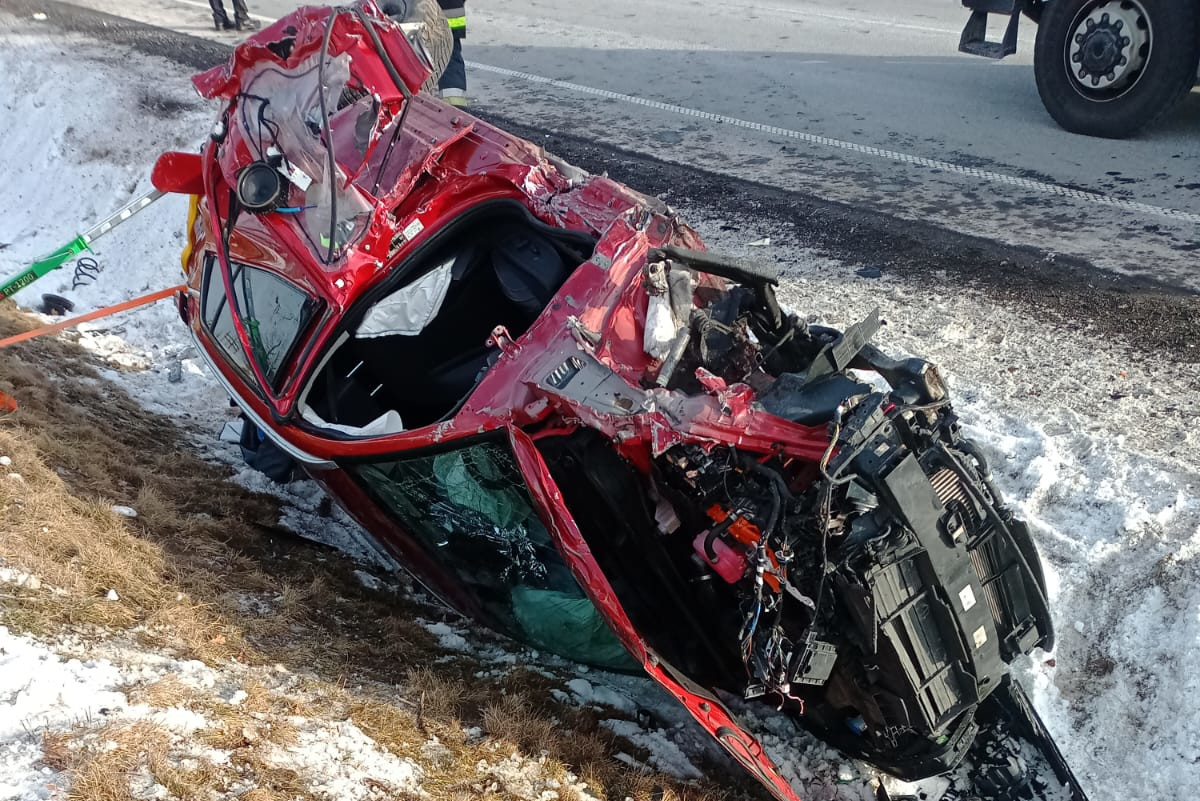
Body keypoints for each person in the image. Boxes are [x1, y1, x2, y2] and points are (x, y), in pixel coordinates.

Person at [437, 0, 468, 106]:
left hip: (420, 10)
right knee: (450, 56)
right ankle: (456, 106)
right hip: (452, 11)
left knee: (413, 54)